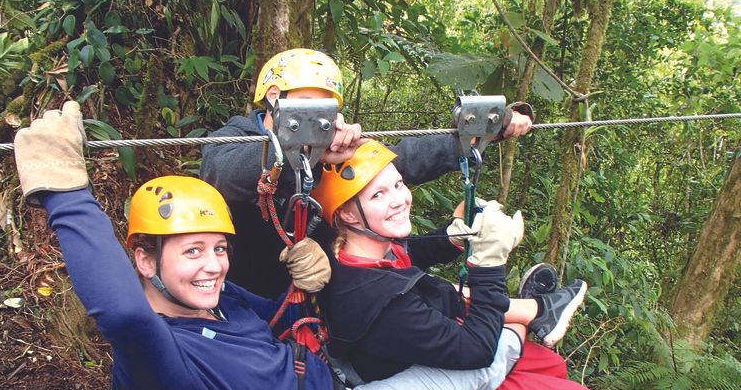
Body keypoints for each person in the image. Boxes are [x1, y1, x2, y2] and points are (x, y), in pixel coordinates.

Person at [14, 101, 527, 390]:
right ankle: (532, 331)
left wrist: (308, 285)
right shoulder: (156, 359)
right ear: (144, 261)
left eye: (219, 248)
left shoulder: (219, 303)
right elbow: (125, 315)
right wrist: (65, 192)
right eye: (192, 252)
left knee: (405, 335)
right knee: (481, 362)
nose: (213, 265)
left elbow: (279, 322)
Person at [313, 140, 596, 390]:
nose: (399, 199)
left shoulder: (353, 253)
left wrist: (452, 236)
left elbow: (410, 252)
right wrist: (489, 262)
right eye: (378, 195)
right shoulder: (379, 305)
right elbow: (476, 351)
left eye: (398, 185)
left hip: (439, 354)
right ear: (347, 213)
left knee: (552, 367)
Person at [199, 48, 535, 298]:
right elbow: (220, 173)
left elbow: (398, 162)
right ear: (274, 98)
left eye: (325, 108)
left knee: (396, 264)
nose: (317, 118)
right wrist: (302, 151)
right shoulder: (239, 136)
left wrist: (472, 138)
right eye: (306, 104)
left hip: (318, 293)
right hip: (242, 294)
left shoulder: (328, 145)